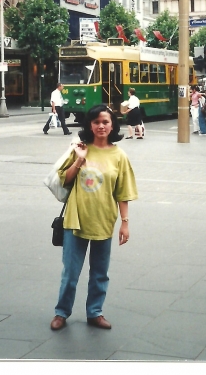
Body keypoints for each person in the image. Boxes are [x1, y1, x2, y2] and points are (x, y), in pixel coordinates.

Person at [50, 104, 138, 331]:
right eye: (96, 122)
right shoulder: (79, 148)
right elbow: (65, 181)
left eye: (105, 122)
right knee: (70, 273)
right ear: (90, 124)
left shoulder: (120, 156)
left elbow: (123, 192)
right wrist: (79, 159)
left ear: (112, 125)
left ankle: (95, 312)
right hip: (75, 220)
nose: (101, 126)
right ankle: (62, 312)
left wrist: (125, 223)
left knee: (100, 273)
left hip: (104, 220)